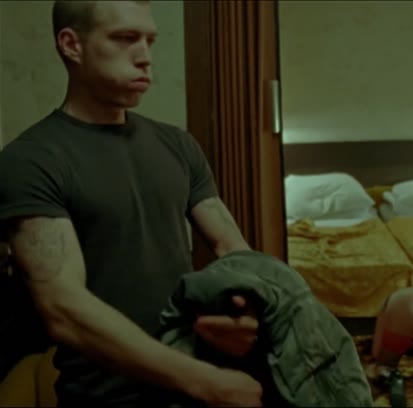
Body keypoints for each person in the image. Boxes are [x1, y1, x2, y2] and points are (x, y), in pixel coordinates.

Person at [0, 1, 264, 406]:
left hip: (194, 386)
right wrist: (204, 381)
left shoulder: (178, 145)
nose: (145, 57)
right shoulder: (31, 160)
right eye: (125, 38)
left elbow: (233, 249)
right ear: (71, 45)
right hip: (109, 397)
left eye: (149, 41)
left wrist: (248, 308)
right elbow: (63, 308)